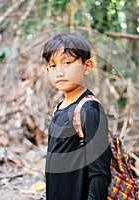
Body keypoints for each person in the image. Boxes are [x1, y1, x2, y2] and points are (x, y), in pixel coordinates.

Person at [42, 33, 112, 200]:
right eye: (53, 65)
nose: (59, 72)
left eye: (67, 63)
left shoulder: (88, 110)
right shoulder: (58, 108)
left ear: (87, 66)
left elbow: (100, 173)